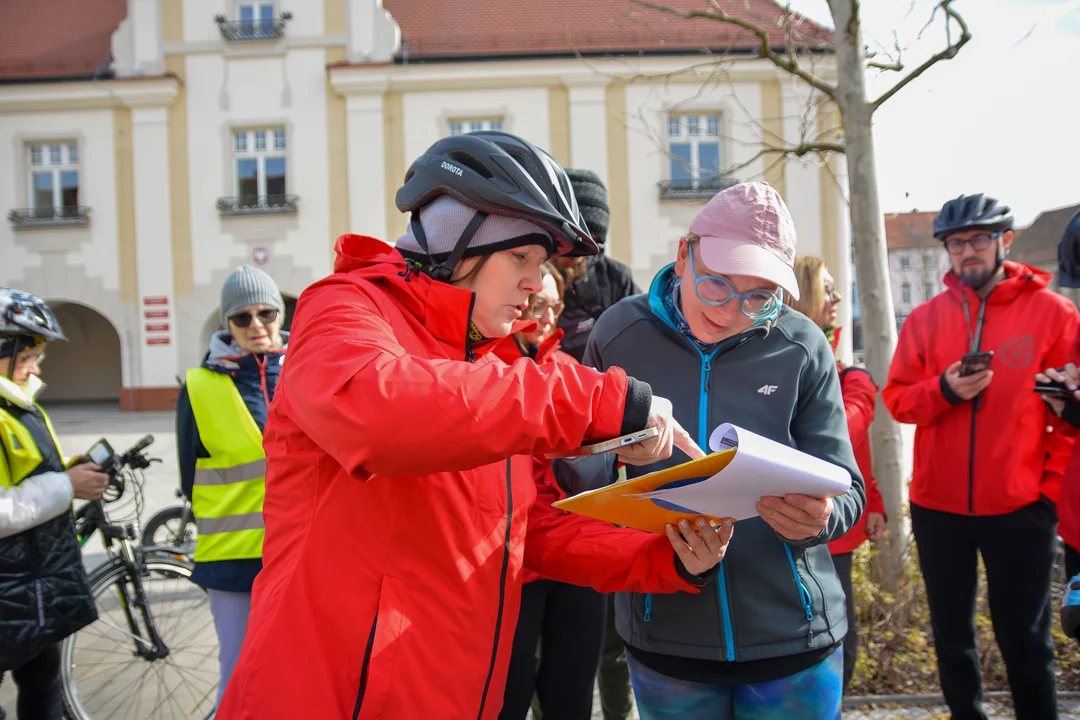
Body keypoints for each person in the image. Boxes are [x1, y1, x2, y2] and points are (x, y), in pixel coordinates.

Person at [216, 131, 735, 719]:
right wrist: (595, 402)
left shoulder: (489, 366)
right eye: (521, 258)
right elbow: (375, 410)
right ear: (456, 242)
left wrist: (663, 555)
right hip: (326, 697)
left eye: (542, 265)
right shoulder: (346, 309)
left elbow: (525, 531)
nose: (538, 283)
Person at [580, 182, 866, 719]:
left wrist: (822, 517)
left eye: (760, 297)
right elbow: (578, 469)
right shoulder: (619, 333)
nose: (733, 310)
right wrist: (611, 458)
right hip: (664, 631)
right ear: (684, 254)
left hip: (792, 635)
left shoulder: (802, 344)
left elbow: (848, 485)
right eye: (716, 285)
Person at [883, 193, 1079, 720]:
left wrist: (1048, 492)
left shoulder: (1054, 313)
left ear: (1004, 241)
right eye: (955, 243)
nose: (966, 252)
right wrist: (944, 390)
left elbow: (1069, 417)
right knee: (952, 637)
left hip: (1021, 508)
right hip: (938, 507)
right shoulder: (925, 319)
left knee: (1026, 640)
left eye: (977, 240)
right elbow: (898, 400)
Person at [495, 264, 606, 720]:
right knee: (510, 696)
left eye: (555, 306)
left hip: (575, 553)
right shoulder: (487, 368)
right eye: (538, 305)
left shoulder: (568, 369)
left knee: (572, 696)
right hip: (514, 566)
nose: (547, 317)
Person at [176, 265, 287, 707]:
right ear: (227, 324)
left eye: (266, 313)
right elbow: (190, 474)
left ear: (280, 315)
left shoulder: (308, 368)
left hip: (302, 550)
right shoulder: (200, 385)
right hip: (232, 556)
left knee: (299, 671)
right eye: (242, 318)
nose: (256, 326)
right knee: (239, 674)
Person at [556, 169, 642, 720]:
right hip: (555, 464)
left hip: (614, 460)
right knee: (558, 630)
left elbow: (639, 356)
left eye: (595, 246)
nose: (583, 260)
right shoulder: (538, 283)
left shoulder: (616, 279)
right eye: (577, 246)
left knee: (612, 628)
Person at [0, 289, 107, 720]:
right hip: (12, 585)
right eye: (29, 355)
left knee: (43, 688)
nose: (36, 367)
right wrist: (67, 485)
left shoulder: (17, 404)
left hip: (28, 585)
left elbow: (26, 472)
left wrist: (70, 469)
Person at [786, 255, 887, 694]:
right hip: (795, 517)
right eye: (827, 288)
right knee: (814, 637)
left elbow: (851, 453)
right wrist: (861, 391)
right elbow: (836, 435)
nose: (837, 296)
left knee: (841, 635)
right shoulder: (793, 359)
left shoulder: (839, 363)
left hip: (834, 521)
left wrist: (876, 501)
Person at [552, 169, 641, 364]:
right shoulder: (530, 278)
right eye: (572, 240)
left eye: (590, 244)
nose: (577, 255)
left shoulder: (615, 278)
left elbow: (644, 333)